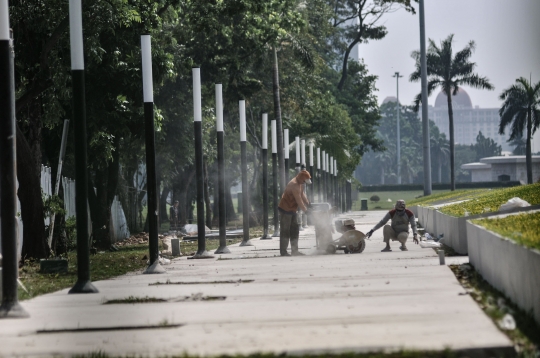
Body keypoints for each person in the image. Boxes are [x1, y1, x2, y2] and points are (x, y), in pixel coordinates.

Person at [278, 169, 312, 256]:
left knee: (295, 230)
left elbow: (302, 194)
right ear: (301, 178)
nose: (305, 183)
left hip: (292, 210)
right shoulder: (294, 184)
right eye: (304, 181)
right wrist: (305, 210)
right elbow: (298, 200)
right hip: (285, 210)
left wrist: (308, 203)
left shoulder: (300, 183)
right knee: (285, 231)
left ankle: (295, 251)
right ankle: (283, 252)